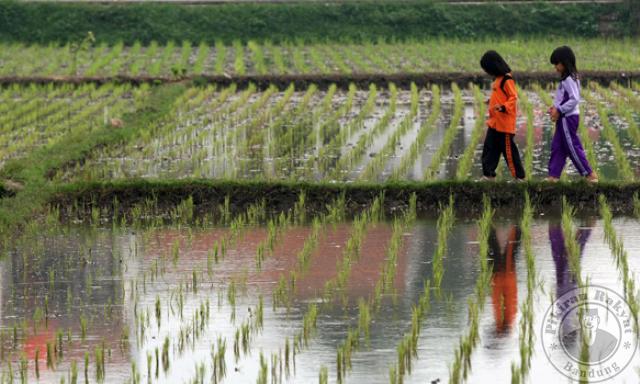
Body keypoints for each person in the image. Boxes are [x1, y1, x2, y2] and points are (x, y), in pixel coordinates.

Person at [547, 46, 598, 182]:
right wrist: (555, 108)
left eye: (556, 64)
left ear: (564, 62)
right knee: (557, 146)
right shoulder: (569, 77)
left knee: (571, 146)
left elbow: (574, 99)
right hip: (565, 117)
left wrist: (559, 110)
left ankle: (589, 174)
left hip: (567, 118)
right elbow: (564, 98)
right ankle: (553, 176)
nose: (555, 68)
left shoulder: (569, 79)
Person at [479, 50, 526, 181]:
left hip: (504, 124)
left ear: (494, 66)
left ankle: (519, 177)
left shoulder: (507, 79)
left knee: (509, 152)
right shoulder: (498, 80)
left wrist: (503, 107)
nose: (487, 73)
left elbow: (513, 98)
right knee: (489, 149)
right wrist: (490, 101)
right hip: (495, 122)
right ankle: (488, 175)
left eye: (487, 69)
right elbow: (500, 96)